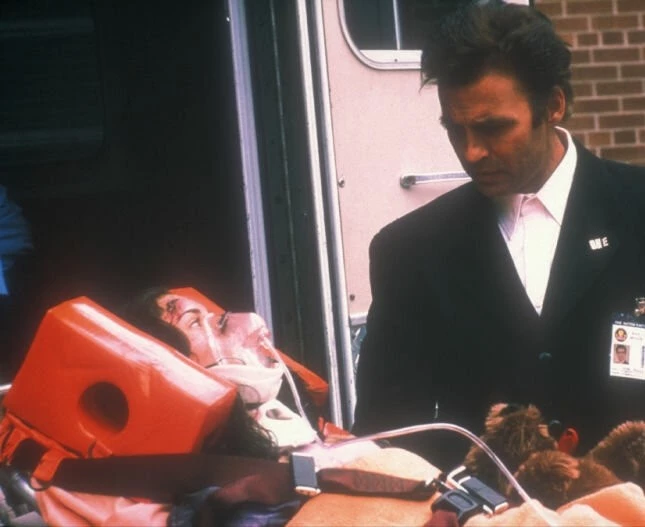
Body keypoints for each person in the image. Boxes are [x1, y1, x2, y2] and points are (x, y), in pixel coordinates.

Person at [352, 1, 645, 471]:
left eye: (493, 128)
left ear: (553, 105)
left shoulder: (637, 209)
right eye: (456, 130)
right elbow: (387, 434)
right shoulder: (410, 251)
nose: (471, 151)